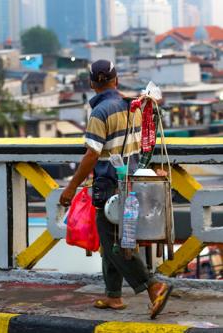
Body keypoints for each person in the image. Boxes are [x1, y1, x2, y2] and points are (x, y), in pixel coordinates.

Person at [59, 59, 172, 319]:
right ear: (116, 80)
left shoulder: (100, 113)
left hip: (109, 187)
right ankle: (113, 296)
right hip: (133, 185)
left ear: (91, 83)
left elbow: (91, 155)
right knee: (113, 239)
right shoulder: (132, 106)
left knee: (114, 243)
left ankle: (154, 286)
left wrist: (71, 187)